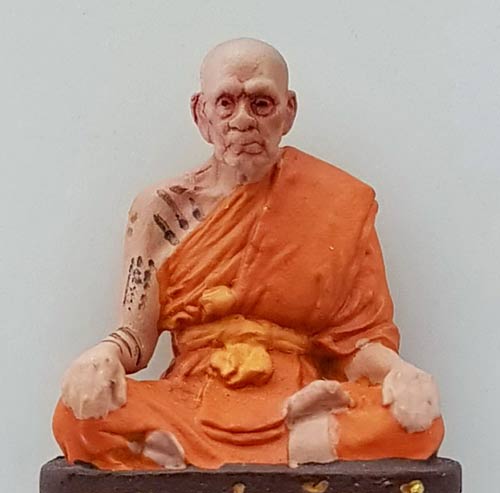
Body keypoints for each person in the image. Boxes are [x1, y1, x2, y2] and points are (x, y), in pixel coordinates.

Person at [53, 38, 444, 470]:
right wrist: (103, 355)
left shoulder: (337, 203)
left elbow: (357, 344)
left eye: (261, 103)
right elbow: (135, 340)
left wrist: (399, 374)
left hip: (299, 396)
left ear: (288, 111)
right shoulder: (161, 211)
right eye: (226, 103)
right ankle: (300, 450)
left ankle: (184, 457)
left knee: (417, 422)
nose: (243, 120)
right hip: (191, 397)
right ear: (200, 113)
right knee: (76, 416)